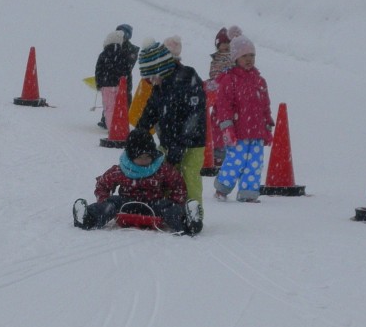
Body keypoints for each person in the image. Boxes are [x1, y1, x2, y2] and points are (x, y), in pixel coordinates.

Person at [132, 38, 209, 222]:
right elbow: (151, 110)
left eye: (153, 76)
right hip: (168, 142)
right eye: (148, 78)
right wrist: (139, 133)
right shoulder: (160, 87)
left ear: (162, 68)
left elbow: (194, 115)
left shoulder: (187, 78)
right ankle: (169, 211)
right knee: (165, 175)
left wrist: (181, 144)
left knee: (189, 176)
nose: (152, 81)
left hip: (192, 143)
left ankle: (194, 214)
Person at [72, 128, 200, 234]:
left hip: (154, 204)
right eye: (139, 157)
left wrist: (175, 203)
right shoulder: (121, 170)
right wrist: (103, 200)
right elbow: (103, 184)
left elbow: (178, 185)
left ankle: (188, 223)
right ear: (131, 156)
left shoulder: (161, 169)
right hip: (126, 204)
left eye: (147, 156)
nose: (144, 160)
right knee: (111, 203)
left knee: (168, 208)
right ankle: (87, 218)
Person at [211, 34, 273, 203]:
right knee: (236, 161)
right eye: (244, 56)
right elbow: (224, 106)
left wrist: (268, 126)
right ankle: (222, 188)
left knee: (255, 163)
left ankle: (248, 193)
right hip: (238, 131)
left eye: (252, 55)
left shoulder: (259, 81)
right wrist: (227, 127)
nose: (249, 59)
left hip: (257, 131)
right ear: (235, 58)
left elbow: (265, 106)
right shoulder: (229, 80)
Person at [93, 23, 136, 128]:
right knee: (120, 104)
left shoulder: (105, 53)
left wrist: (99, 83)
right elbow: (127, 71)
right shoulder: (126, 52)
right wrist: (127, 85)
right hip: (119, 84)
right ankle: (118, 124)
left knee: (109, 105)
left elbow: (99, 69)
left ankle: (111, 124)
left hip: (108, 83)